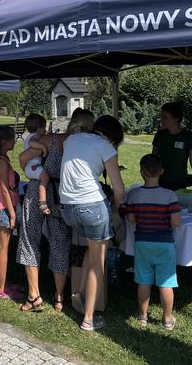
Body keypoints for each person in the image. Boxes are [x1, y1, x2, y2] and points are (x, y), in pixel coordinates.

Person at [59, 114, 125, 331]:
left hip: (68, 208)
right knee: (99, 262)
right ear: (113, 137)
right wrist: (116, 208)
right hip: (93, 207)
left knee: (92, 250)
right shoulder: (106, 146)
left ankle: (79, 292)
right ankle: (89, 318)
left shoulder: (72, 139)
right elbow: (118, 189)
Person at [17, 116, 74, 313]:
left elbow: (23, 158)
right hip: (61, 193)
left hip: (37, 190)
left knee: (29, 238)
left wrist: (29, 169)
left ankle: (34, 294)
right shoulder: (76, 143)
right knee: (60, 241)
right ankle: (59, 296)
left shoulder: (48, 140)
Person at [125, 154, 182, 330]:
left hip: (143, 242)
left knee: (143, 280)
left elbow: (131, 218)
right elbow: (175, 222)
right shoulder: (170, 195)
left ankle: (143, 317)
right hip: (164, 243)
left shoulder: (134, 194)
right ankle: (167, 319)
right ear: (162, 171)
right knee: (166, 282)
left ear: (142, 172)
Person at [0, 125, 23, 300]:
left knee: (3, 248)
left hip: (2, 206)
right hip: (2, 207)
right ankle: (1, 289)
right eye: (12, 139)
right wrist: (12, 213)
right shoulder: (1, 161)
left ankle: (3, 283)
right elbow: (4, 189)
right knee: (3, 248)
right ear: (4, 141)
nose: (14, 142)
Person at [152, 102, 192, 194]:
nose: (161, 120)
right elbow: (153, 159)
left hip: (180, 182)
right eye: (161, 116)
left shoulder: (188, 136)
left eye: (165, 117)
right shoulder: (160, 135)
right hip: (160, 181)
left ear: (176, 119)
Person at [22, 114, 50, 212]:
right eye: (44, 127)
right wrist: (43, 147)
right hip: (34, 166)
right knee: (45, 178)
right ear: (38, 129)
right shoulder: (34, 137)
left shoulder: (29, 136)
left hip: (30, 168)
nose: (45, 130)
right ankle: (42, 202)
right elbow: (32, 143)